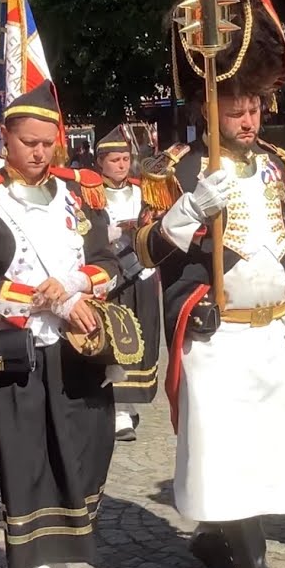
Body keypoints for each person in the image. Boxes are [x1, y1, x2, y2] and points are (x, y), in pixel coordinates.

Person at [139, 0, 285, 568]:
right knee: (226, 454)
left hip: (273, 332)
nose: (249, 120)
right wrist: (186, 212)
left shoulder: (277, 163)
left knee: (264, 453)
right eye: (237, 111)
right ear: (209, 111)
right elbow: (146, 253)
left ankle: (212, 539)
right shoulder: (179, 169)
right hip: (218, 334)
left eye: (255, 108)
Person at [0, 81, 119, 568]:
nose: (40, 152)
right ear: (6, 137)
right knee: (26, 466)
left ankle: (56, 548)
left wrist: (76, 285)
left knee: (82, 456)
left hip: (76, 353)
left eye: (48, 142)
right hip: (14, 358)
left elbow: (110, 263)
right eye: (28, 142)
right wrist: (44, 301)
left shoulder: (78, 191)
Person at [95, 125, 162, 441]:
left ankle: (128, 405)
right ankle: (116, 408)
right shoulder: (91, 192)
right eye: (115, 160)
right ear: (101, 162)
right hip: (110, 276)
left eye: (125, 159)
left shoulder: (142, 191)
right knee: (115, 339)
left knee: (142, 338)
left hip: (141, 273)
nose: (121, 165)